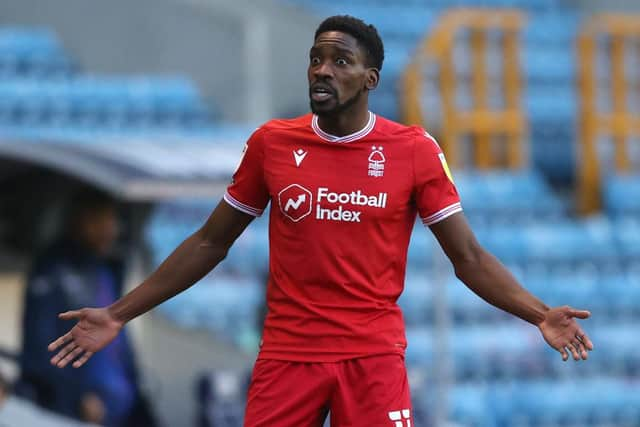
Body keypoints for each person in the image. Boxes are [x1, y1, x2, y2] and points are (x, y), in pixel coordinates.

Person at [48, 16, 594, 427]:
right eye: (316, 58)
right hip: (288, 356)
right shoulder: (272, 144)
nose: (322, 70)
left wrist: (539, 313)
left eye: (340, 61)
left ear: (370, 78)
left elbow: (468, 258)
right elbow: (211, 242)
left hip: (372, 356)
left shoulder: (413, 150)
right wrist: (119, 313)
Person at [21, 189, 155, 427]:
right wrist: (78, 396)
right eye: (102, 221)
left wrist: (137, 384)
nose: (111, 230)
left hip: (126, 405)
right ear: (81, 220)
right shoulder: (54, 269)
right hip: (81, 409)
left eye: (113, 221)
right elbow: (40, 345)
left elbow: (120, 337)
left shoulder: (107, 267)